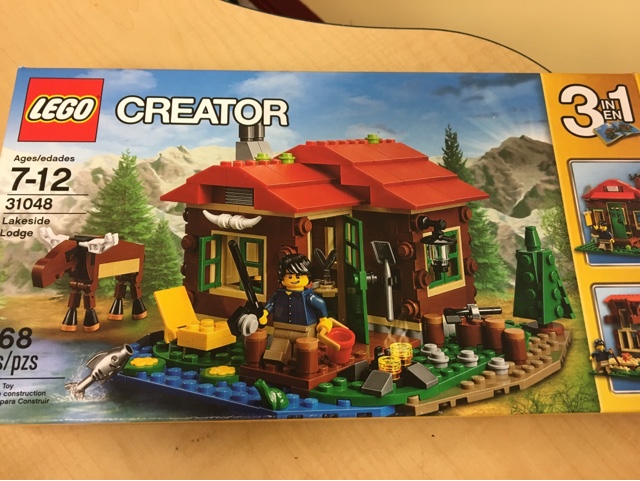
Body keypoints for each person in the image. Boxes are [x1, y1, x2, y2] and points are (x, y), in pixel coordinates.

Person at [260, 253, 334, 364]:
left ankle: (299, 363)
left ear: (308, 277)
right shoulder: (279, 295)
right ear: (282, 278)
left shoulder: (308, 296)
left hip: (304, 330)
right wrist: (265, 313)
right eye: (289, 276)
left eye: (298, 276)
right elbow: (271, 304)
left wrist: (323, 320)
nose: (294, 279)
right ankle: (277, 362)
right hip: (281, 329)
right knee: (277, 352)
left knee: (302, 355)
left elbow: (320, 304)